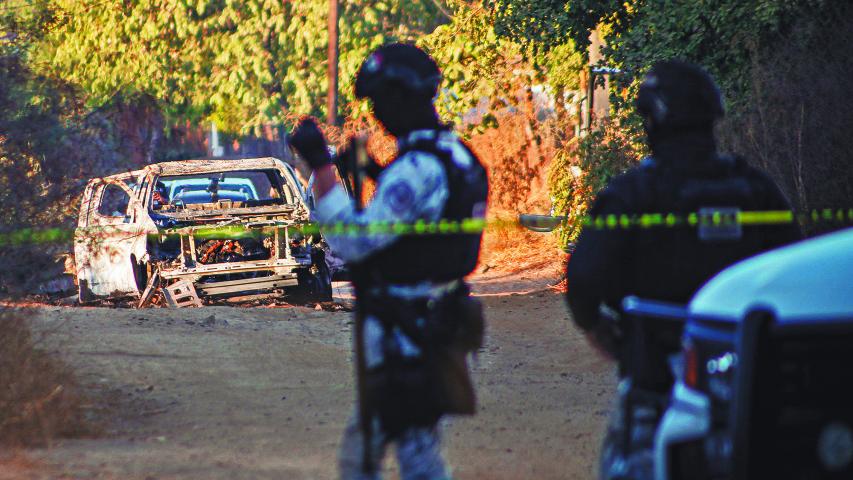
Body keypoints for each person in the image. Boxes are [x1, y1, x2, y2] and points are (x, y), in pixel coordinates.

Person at [564, 60, 801, 479]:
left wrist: (597, 326)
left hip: (654, 379)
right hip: (747, 383)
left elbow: (584, 278)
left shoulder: (631, 193)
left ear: (652, 121)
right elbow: (794, 271)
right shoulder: (756, 190)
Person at [289, 43, 488, 480]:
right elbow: (420, 218)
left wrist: (321, 168)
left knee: (410, 458)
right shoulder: (456, 154)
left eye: (380, 101)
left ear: (403, 98)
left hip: (407, 328)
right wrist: (374, 172)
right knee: (384, 448)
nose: (377, 113)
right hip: (436, 316)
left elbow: (354, 243)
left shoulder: (416, 168)